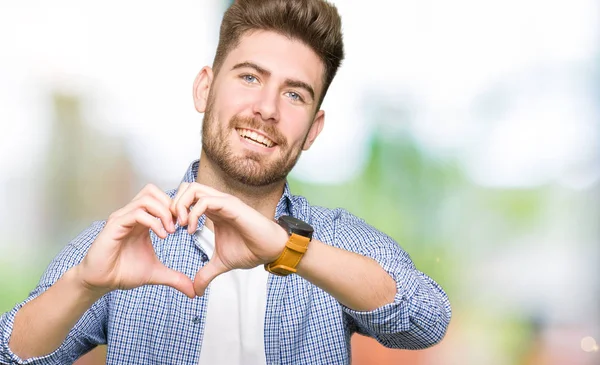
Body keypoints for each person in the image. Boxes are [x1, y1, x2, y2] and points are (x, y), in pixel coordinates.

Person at [0, 0, 451, 364]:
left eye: (295, 94)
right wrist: (83, 285)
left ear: (313, 129)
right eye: (250, 77)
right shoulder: (124, 242)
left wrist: (287, 250)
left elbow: (427, 317)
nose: (267, 108)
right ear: (204, 89)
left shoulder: (335, 242)